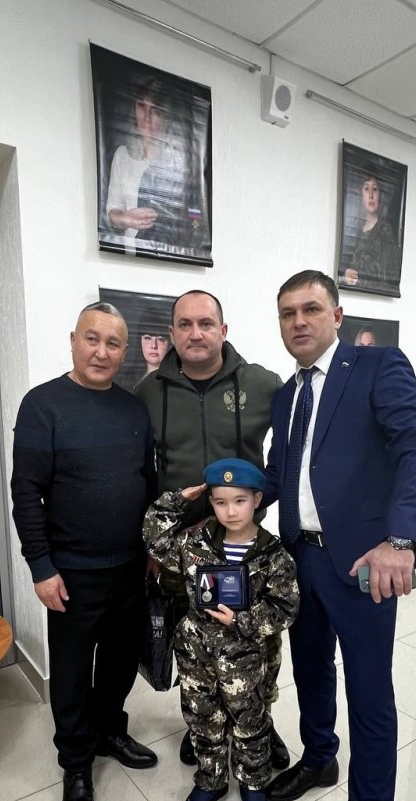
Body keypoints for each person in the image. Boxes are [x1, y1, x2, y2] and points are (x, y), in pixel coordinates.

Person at [264, 270, 416, 801]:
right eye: (287, 313)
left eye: (311, 309)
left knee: (368, 694)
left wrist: (401, 539)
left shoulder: (377, 367)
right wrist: (219, 499)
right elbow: (285, 475)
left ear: (337, 316)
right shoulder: (286, 396)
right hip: (299, 559)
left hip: (364, 563)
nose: (299, 321)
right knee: (310, 669)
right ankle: (319, 758)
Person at [11, 302, 158, 801]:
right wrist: (41, 566)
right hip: (70, 574)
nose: (101, 351)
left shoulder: (133, 409)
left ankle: (110, 731)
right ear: (73, 340)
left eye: (113, 343)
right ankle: (76, 763)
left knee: (120, 662)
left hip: (130, 567)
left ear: (124, 351)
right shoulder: (43, 405)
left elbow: (147, 483)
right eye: (91, 339)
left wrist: (153, 550)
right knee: (72, 674)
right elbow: (25, 493)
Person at [135, 290, 289, 770]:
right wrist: (154, 542)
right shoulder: (147, 393)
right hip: (184, 552)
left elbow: (287, 460)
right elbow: (140, 472)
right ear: (172, 334)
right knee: (196, 644)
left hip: (247, 547)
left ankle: (259, 722)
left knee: (257, 644)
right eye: (184, 324)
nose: (195, 333)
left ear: (223, 330)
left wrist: (249, 507)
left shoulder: (263, 384)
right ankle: (205, 726)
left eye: (206, 323)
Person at [144, 458, 299, 801]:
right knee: (202, 718)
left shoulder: (272, 555)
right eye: (220, 501)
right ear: (210, 502)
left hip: (244, 657)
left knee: (250, 720)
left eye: (240, 501)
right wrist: (179, 500)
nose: (230, 511)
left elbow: (285, 608)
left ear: (257, 500)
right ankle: (210, 779)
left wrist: (241, 620)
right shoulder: (194, 543)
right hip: (196, 652)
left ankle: (253, 782)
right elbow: (155, 538)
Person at [105, 76, 185, 250]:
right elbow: (112, 211)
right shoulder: (122, 156)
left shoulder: (176, 161)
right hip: (131, 254)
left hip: (169, 255)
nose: (147, 117)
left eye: (154, 110)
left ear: (164, 117)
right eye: (141, 106)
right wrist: (127, 218)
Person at [342, 175, 401, 292]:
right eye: (366, 189)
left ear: (380, 195)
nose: (370, 195)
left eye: (374, 189)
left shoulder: (385, 231)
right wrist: (345, 276)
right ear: (360, 195)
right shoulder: (353, 232)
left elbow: (389, 279)